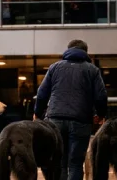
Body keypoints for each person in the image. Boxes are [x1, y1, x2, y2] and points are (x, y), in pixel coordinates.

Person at [35, 39, 107, 180]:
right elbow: (101, 96)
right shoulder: (92, 70)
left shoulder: (54, 67)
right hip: (81, 120)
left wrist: (37, 114)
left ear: (68, 50)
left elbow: (42, 93)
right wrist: (101, 115)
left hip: (55, 120)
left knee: (60, 163)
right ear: (85, 52)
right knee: (75, 163)